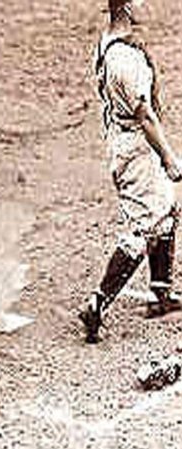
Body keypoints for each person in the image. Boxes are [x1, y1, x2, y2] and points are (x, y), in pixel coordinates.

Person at [79, 0, 182, 344]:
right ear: (125, 7)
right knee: (143, 227)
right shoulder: (127, 58)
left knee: (167, 208)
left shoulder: (108, 42)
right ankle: (96, 305)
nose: (146, 4)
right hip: (137, 148)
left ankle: (160, 293)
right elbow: (146, 116)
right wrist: (168, 157)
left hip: (122, 140)